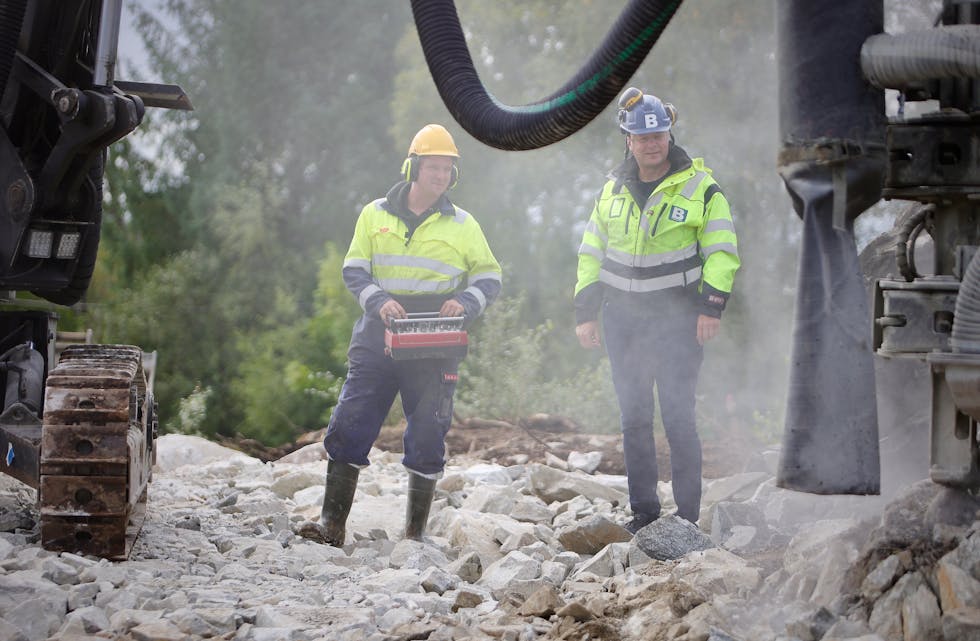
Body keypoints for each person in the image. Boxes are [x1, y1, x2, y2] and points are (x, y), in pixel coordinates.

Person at [302, 124, 501, 547]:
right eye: (433, 167)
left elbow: (489, 277)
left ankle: (414, 535)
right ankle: (331, 526)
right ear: (413, 167)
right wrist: (379, 301)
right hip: (379, 334)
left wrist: (465, 303)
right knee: (351, 423)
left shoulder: (464, 225)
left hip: (436, 341)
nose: (440, 176)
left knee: (429, 431)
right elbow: (354, 269)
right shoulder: (374, 214)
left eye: (447, 169)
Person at [574, 88, 740, 534]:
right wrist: (585, 313)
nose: (652, 143)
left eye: (659, 135)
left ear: (669, 134)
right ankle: (643, 512)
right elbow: (591, 252)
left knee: (679, 416)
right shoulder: (610, 190)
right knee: (634, 419)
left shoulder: (702, 187)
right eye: (642, 137)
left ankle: (686, 516)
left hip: (679, 320)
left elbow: (722, 252)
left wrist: (712, 306)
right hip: (623, 321)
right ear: (628, 139)